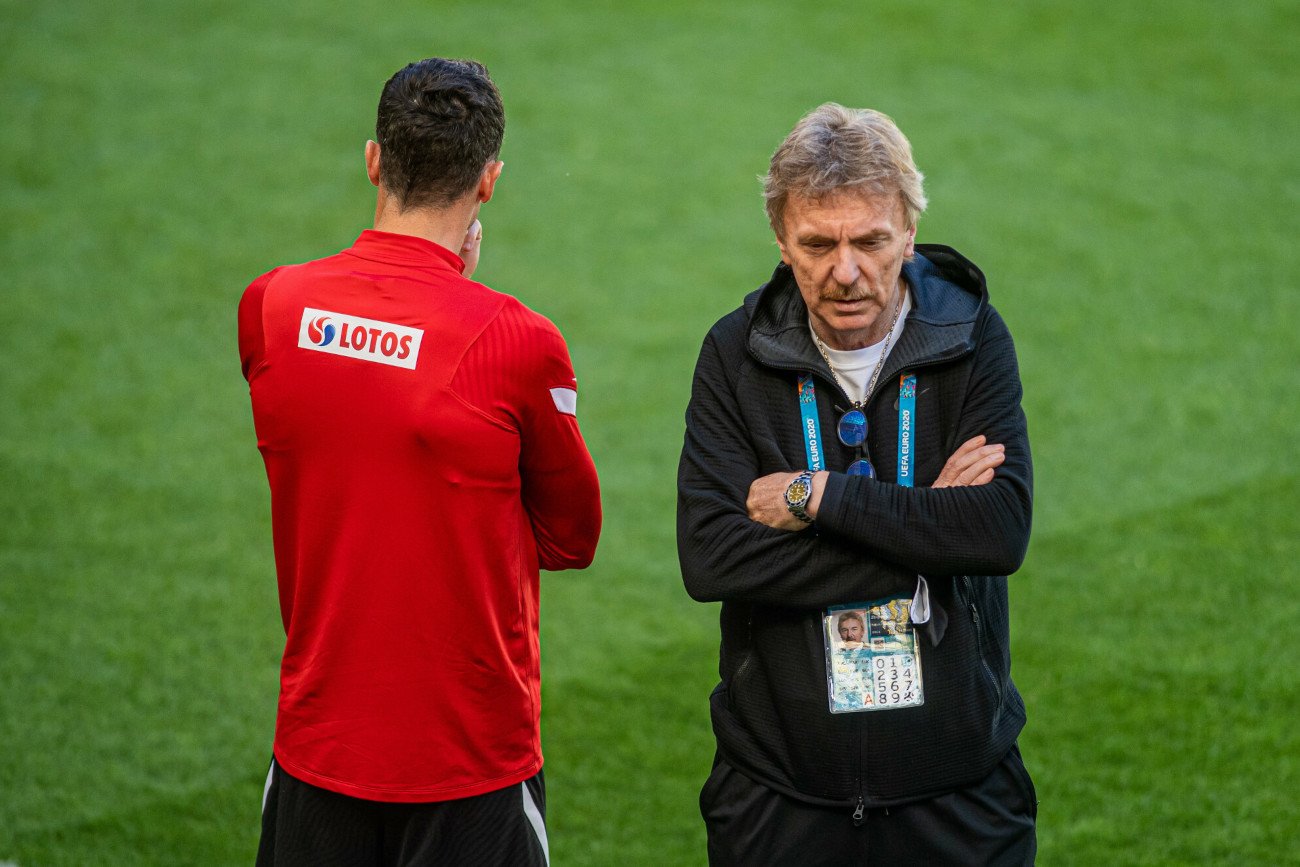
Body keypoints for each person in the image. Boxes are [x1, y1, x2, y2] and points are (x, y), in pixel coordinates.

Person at [238, 57, 601, 866]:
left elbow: (357, 410)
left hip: (316, 750)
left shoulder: (269, 308)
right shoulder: (517, 341)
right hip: (469, 766)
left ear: (375, 159)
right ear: (489, 181)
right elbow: (572, 536)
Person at [678, 103, 1036, 864]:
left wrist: (820, 497)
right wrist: (929, 529)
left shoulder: (972, 339)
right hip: (779, 795)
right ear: (781, 242)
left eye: (871, 241)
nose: (846, 271)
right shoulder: (734, 355)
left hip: (958, 795)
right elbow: (711, 558)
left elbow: (999, 530)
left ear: (908, 231)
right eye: (818, 243)